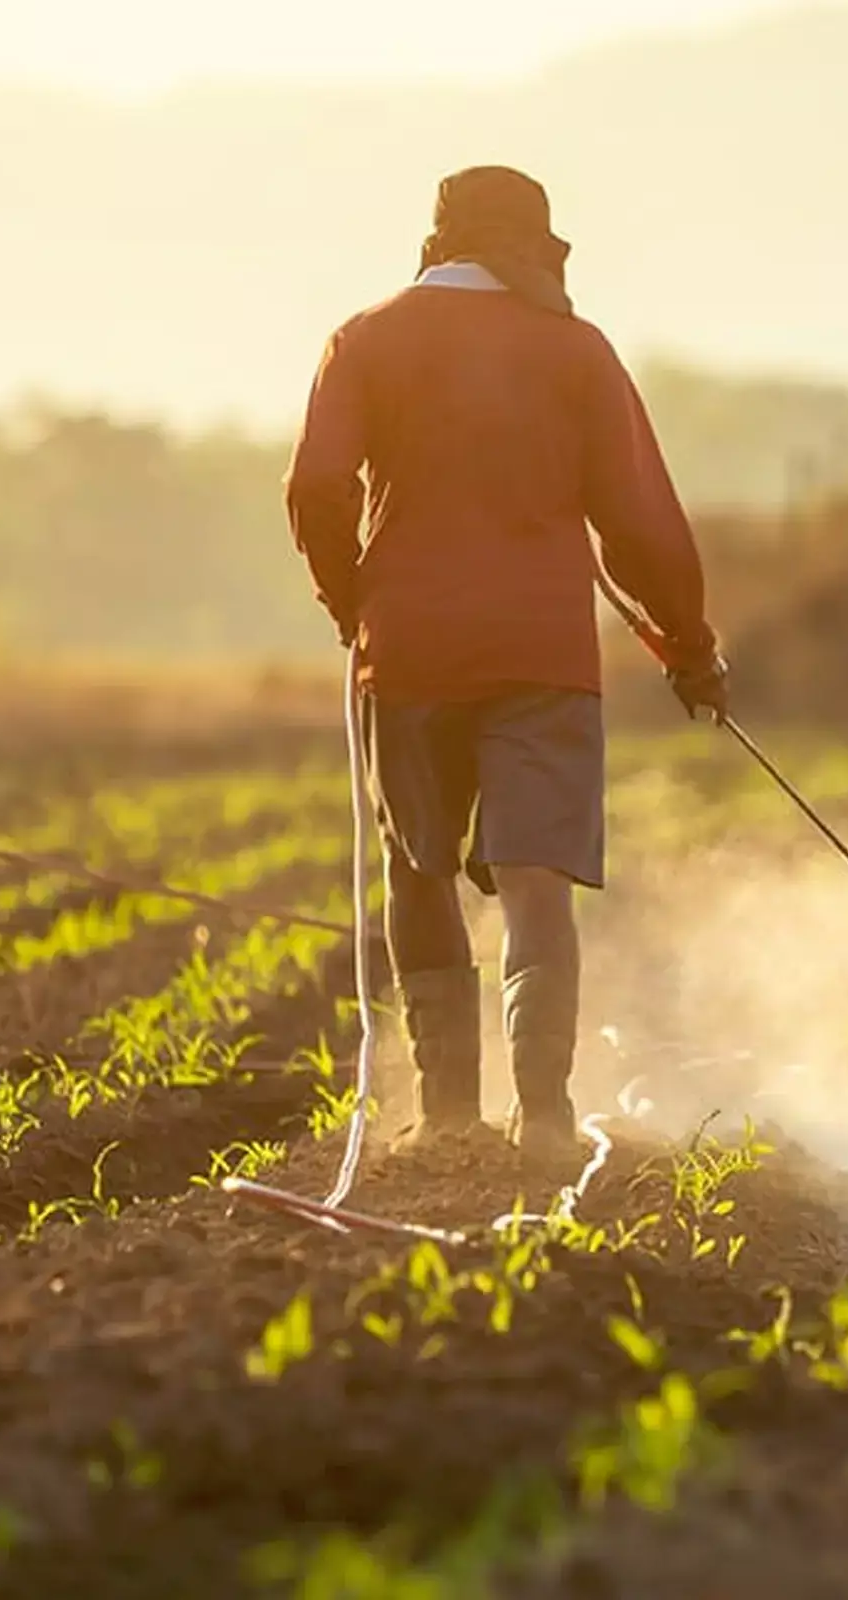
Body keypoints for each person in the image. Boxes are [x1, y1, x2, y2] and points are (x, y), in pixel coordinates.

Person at [285, 164, 727, 1171]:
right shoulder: (575, 352)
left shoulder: (364, 338)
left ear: (437, 242)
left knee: (419, 867)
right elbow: (641, 525)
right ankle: (544, 1118)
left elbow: (315, 485)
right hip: (541, 652)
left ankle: (445, 1117)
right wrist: (690, 648)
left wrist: (350, 601)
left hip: (407, 651)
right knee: (535, 888)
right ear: (533, 249)